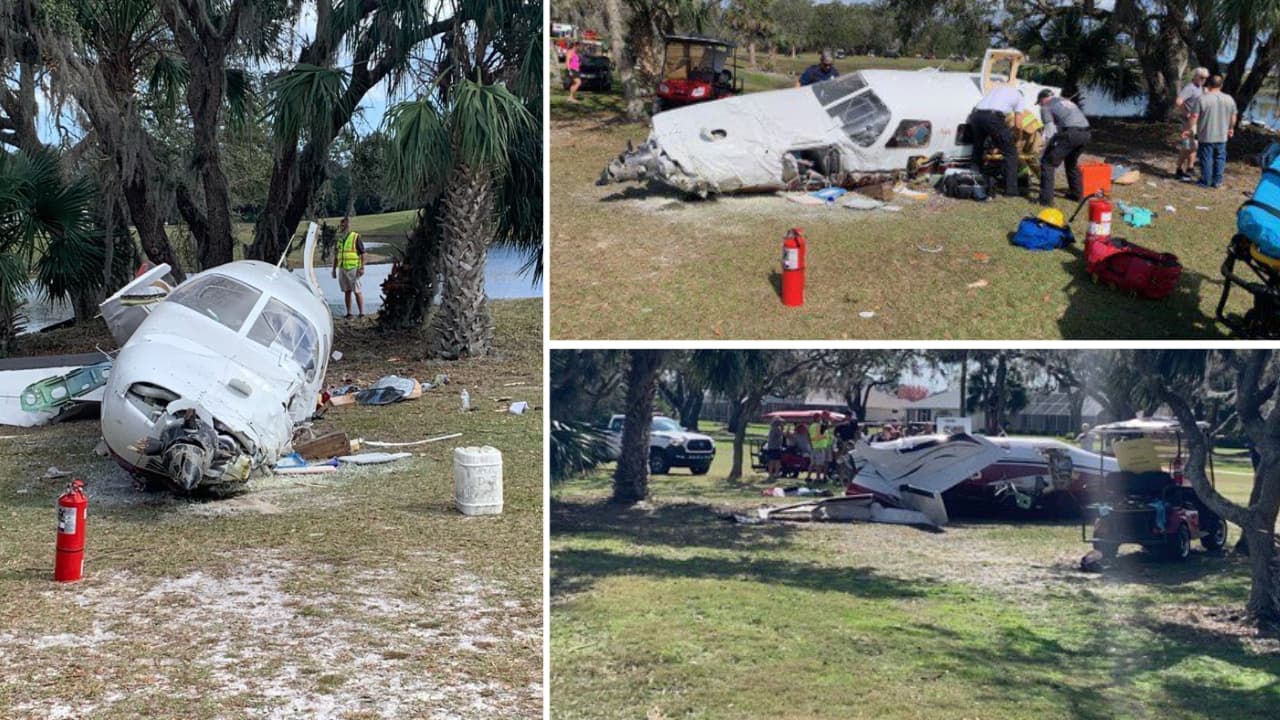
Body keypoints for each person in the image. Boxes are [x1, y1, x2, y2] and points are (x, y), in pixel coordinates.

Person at [968, 85, 1028, 198]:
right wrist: (1017, 138)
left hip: (976, 115)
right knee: (1011, 153)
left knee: (977, 149)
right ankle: (1011, 191)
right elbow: (1018, 125)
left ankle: (973, 181)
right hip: (992, 117)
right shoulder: (1020, 97)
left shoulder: (999, 89)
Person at [1037, 89, 1091, 206]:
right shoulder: (1065, 101)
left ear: (1043, 99)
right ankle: (1077, 194)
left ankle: (1045, 200)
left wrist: (1045, 148)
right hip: (1086, 134)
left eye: (1040, 102)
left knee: (1047, 163)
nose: (1040, 105)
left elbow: (1050, 131)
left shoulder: (1045, 106)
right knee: (1071, 163)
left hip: (1071, 133)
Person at [1188, 75, 1237, 189]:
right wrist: (1231, 128)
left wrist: (1191, 130)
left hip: (1206, 134)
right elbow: (1233, 116)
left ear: (1208, 85)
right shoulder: (1229, 99)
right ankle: (1217, 181)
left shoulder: (1202, 99)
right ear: (1221, 85)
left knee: (1206, 158)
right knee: (1220, 158)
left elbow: (1194, 116)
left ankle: (1206, 181)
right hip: (1222, 135)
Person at [1175, 67, 1209, 181]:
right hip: (1189, 122)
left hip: (1198, 121)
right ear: (1196, 76)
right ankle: (1179, 169)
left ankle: (1190, 168)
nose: (1203, 80)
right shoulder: (1190, 88)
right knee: (1187, 145)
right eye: (1202, 77)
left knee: (1194, 145)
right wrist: (1186, 113)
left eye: (1205, 78)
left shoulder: (1201, 88)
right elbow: (1179, 101)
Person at [331, 216, 365, 319]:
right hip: (342, 268)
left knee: (357, 291)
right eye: (342, 224)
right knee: (347, 291)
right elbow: (336, 256)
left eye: (345, 223)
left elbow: (362, 253)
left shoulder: (355, 236)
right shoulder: (339, 239)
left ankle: (361, 313)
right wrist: (334, 269)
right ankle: (349, 313)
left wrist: (362, 267)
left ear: (348, 225)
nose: (343, 225)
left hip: (353, 268)